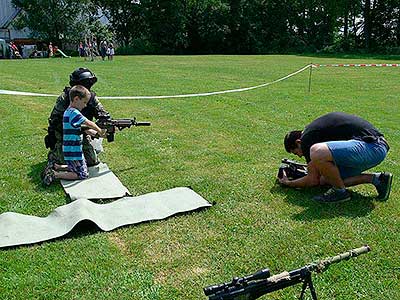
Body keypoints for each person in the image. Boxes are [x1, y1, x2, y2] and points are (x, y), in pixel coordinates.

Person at [278, 112, 393, 203]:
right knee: (328, 178)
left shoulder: (307, 139)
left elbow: (312, 180)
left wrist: (288, 183)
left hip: (373, 146)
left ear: (298, 142)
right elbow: (318, 178)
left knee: (316, 151)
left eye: (296, 152)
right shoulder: (314, 133)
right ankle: (378, 179)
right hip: (374, 150)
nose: (299, 155)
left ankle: (340, 192)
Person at [44, 68, 111, 176]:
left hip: (81, 134)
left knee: (91, 162)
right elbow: (55, 121)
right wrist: (85, 128)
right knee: (63, 161)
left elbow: (103, 114)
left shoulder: (91, 97)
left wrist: (106, 127)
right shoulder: (65, 98)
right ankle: (54, 155)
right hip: (65, 135)